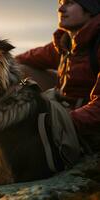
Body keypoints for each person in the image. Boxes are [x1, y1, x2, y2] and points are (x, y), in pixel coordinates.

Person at [16, 0, 100, 150]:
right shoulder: (66, 42)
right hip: (64, 105)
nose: (61, 9)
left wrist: (61, 122)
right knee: (18, 69)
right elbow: (27, 58)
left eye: (69, 3)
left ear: (90, 10)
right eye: (60, 2)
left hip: (85, 118)